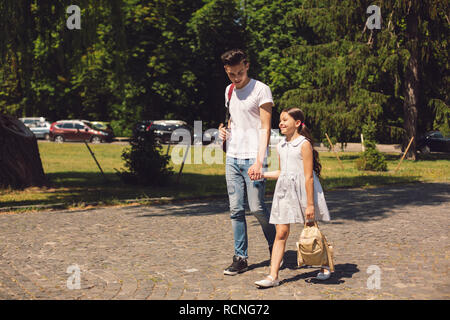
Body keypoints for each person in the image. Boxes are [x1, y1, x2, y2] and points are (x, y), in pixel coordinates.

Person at [253, 107, 331, 288]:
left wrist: (310, 204)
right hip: (284, 191)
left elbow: (308, 176)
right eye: (280, 120)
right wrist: (262, 174)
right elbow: (282, 172)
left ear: (297, 123)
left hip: (304, 190)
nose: (281, 123)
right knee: (281, 233)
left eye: (285, 120)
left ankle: (326, 265)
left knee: (312, 229)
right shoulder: (280, 145)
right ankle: (273, 276)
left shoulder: (304, 144)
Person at [218, 49, 276, 276]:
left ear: (247, 65)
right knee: (235, 210)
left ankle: (276, 246)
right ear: (226, 71)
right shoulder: (229, 90)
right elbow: (233, 118)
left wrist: (259, 161)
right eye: (232, 74)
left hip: (254, 157)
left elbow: (265, 127)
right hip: (232, 157)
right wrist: (224, 130)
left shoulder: (261, 90)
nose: (236, 78)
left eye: (240, 72)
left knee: (257, 207)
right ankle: (240, 257)